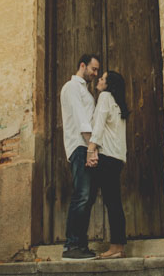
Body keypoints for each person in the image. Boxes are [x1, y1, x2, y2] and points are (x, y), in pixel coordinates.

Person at [60, 53, 100, 260]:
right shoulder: (72, 87)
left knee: (89, 197)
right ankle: (71, 246)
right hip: (79, 147)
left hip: (87, 147)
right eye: (93, 69)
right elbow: (81, 119)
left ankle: (81, 245)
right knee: (82, 196)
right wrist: (90, 149)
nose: (95, 73)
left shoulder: (85, 90)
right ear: (82, 65)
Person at [87, 70, 129, 259]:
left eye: (103, 78)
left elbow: (99, 126)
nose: (100, 80)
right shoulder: (119, 102)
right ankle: (118, 246)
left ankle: (116, 247)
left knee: (107, 202)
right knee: (114, 203)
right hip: (117, 158)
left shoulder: (105, 97)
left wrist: (90, 149)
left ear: (108, 84)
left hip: (107, 157)